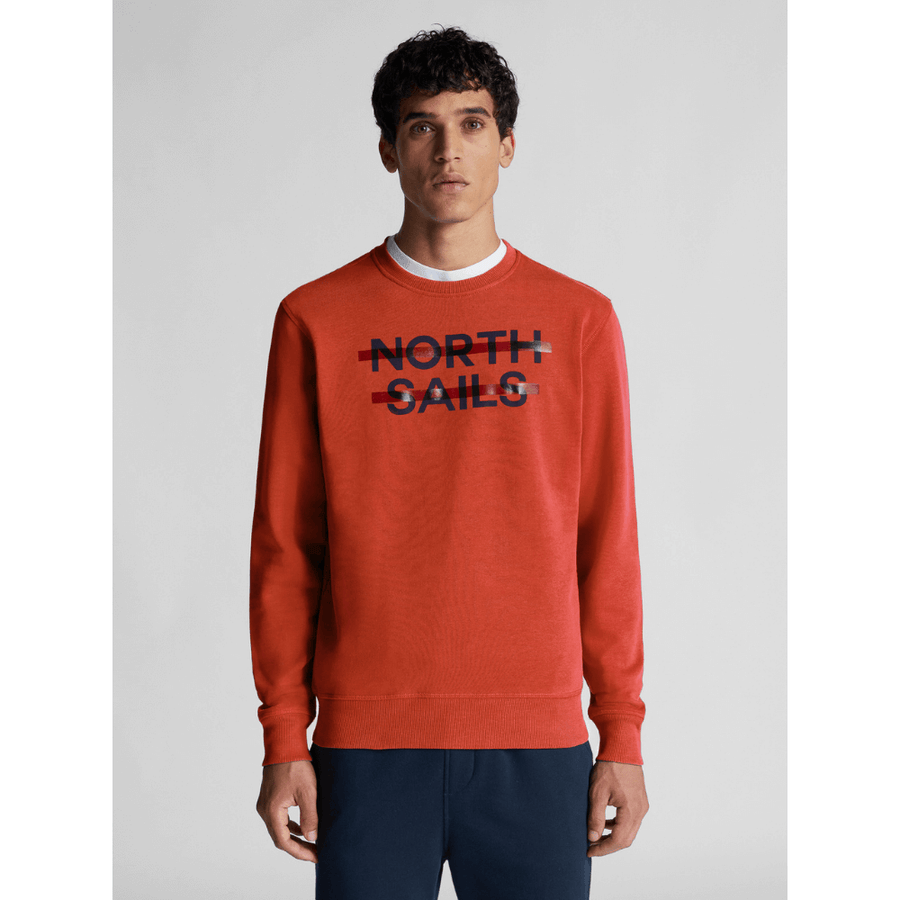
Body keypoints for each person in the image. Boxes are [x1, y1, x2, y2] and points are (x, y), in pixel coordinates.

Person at [250, 25, 649, 899]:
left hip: (537, 742)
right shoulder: (316, 319)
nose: (448, 150)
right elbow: (285, 547)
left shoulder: (578, 320)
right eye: (421, 126)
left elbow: (605, 536)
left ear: (507, 145)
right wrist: (284, 738)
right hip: (365, 743)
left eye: (472, 123)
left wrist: (621, 732)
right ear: (388, 150)